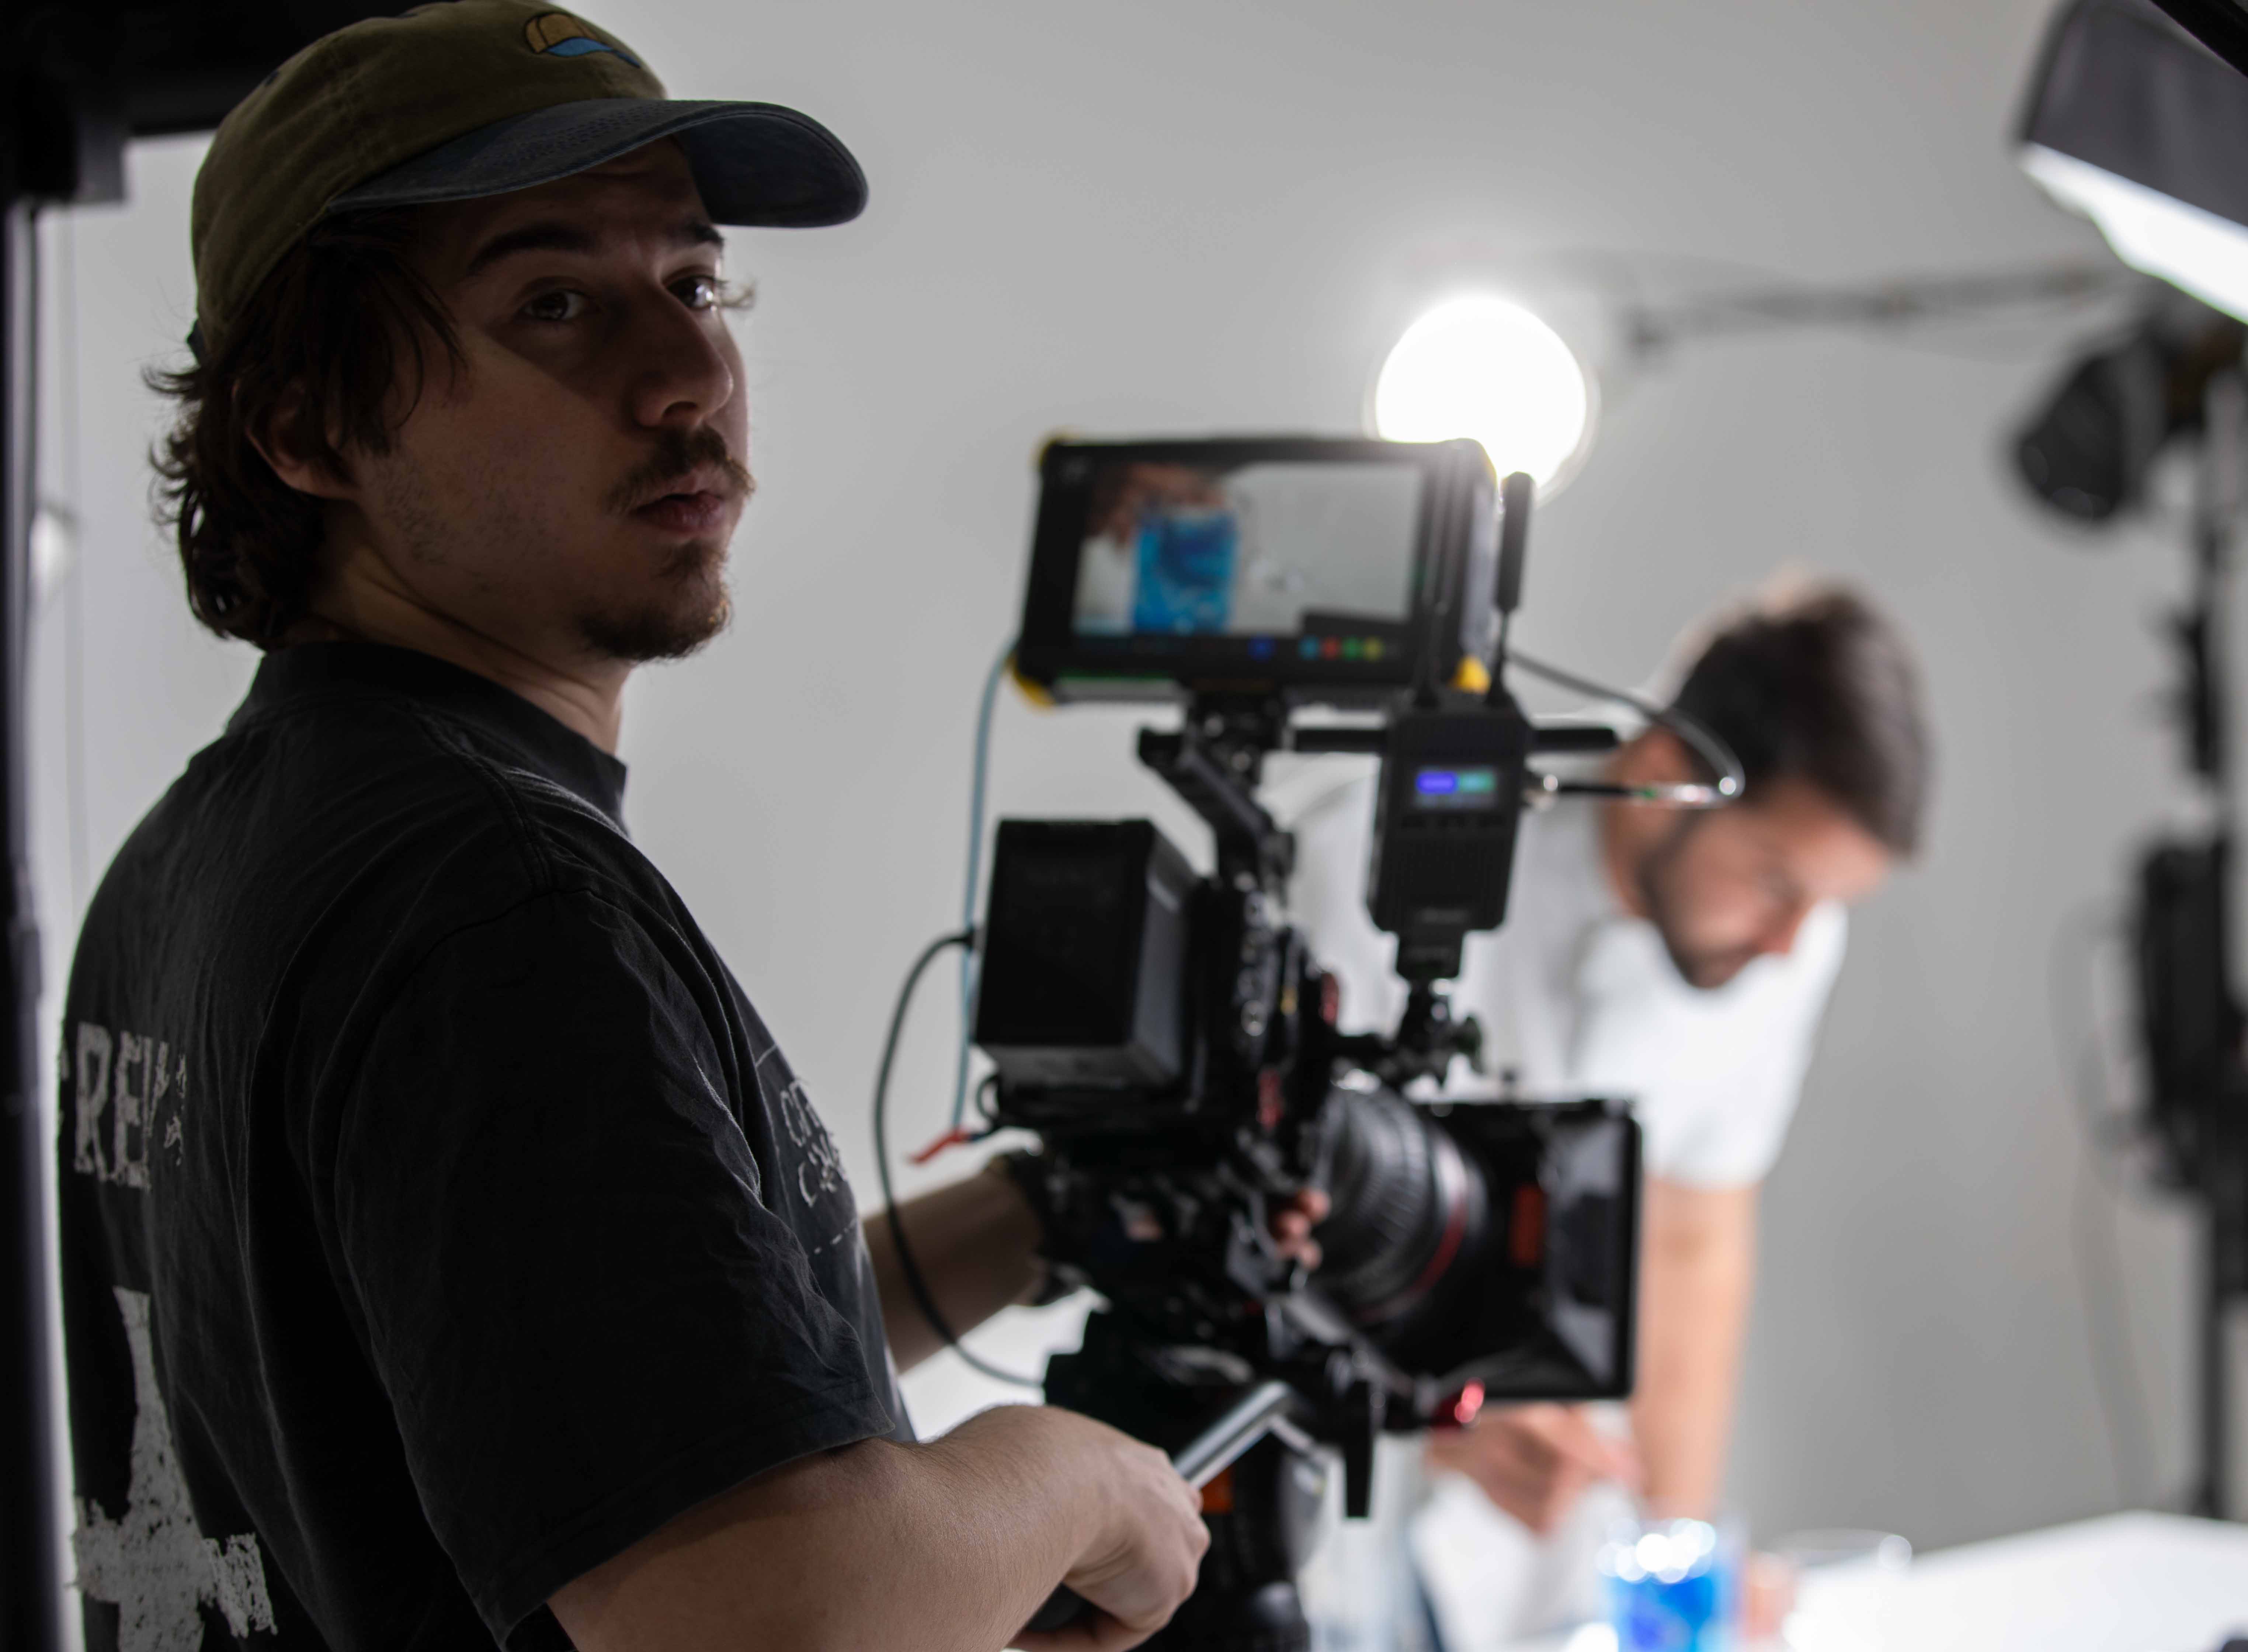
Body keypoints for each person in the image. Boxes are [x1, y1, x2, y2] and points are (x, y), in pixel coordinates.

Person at [52, 7, 1319, 1648]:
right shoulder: (493, 902)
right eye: (555, 303)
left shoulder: (193, 865)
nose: (687, 376)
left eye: (696, 285)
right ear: (304, 427)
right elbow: (767, 1617)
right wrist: (1068, 1480)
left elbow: (598, 1406)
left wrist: (1044, 1220)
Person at [1286, 582, 1930, 1636]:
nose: (1791, 943)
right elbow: (1266, 1227)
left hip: (1550, 1540)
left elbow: (1692, 1236)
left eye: (1822, 905)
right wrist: (1430, 1412)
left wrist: (1681, 1560)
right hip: (1333, 1502)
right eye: (1776, 882)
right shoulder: (1381, 859)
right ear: (1662, 774)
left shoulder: (1781, 942)